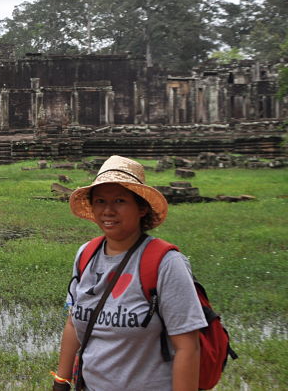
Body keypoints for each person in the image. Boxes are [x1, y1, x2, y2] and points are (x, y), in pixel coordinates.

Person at [52, 155, 206, 391]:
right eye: (100, 201)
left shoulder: (166, 263)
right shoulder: (86, 254)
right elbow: (73, 321)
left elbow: (187, 347)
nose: (108, 210)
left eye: (120, 201)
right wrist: (61, 382)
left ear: (142, 207)